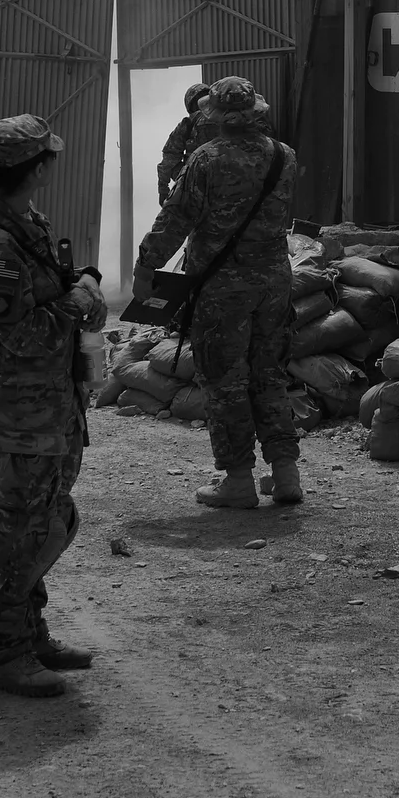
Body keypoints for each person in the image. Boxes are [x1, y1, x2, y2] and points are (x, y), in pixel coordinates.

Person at [0, 113, 107, 698]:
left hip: (50, 401)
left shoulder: (25, 223)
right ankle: (5, 654)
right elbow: (20, 333)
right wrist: (78, 301)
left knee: (46, 518)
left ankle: (30, 633)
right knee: (18, 528)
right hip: (21, 408)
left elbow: (50, 297)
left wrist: (77, 290)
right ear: (36, 168)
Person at [135, 76, 300, 510]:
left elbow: (176, 219)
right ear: (255, 112)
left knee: (226, 380)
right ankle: (286, 476)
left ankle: (239, 481)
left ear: (214, 116)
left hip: (223, 286)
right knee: (269, 374)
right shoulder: (285, 157)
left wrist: (146, 265)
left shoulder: (206, 160)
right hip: (275, 282)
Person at [155, 82, 212, 205]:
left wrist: (163, 189)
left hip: (195, 185)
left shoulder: (188, 123)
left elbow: (169, 159)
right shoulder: (226, 118)